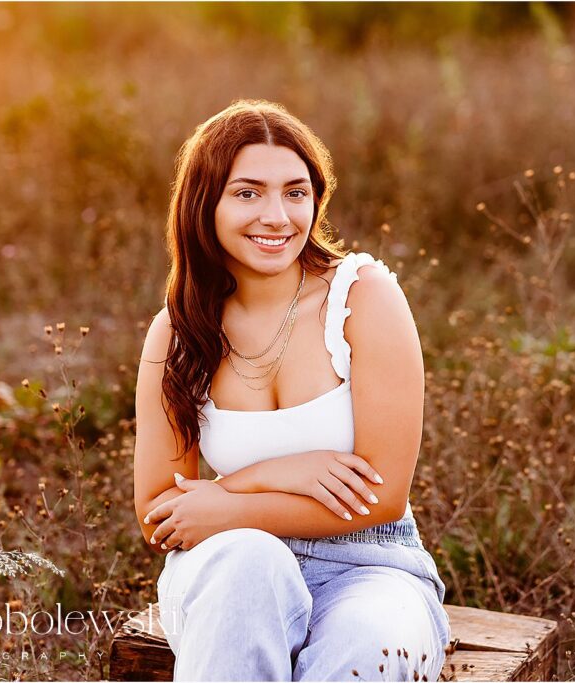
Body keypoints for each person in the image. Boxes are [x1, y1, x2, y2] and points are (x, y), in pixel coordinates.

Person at [133, 99, 451, 682]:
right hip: (229, 565)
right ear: (205, 202)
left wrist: (234, 492)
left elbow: (379, 499)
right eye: (248, 193)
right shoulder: (178, 331)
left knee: (364, 645)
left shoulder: (363, 297)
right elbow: (163, 513)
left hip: (370, 566)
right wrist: (277, 476)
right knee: (247, 562)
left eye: (296, 192)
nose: (277, 216)